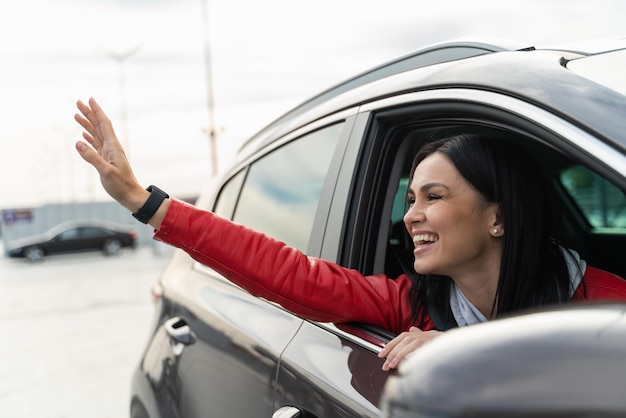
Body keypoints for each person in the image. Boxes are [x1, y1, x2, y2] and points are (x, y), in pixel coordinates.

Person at [73, 98, 626, 372]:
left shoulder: (605, 302)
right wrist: (145, 203)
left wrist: (468, 351)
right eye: (410, 199)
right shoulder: (408, 303)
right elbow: (287, 272)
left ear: (497, 217)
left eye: (434, 197)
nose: (410, 216)